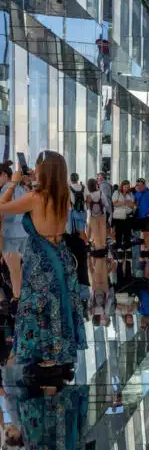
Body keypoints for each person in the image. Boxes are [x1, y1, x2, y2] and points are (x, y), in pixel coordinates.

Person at [0, 152, 85, 369]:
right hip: (61, 254)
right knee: (58, 303)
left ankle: (46, 353)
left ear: (44, 170)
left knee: (39, 306)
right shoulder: (63, 194)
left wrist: (13, 183)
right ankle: (58, 351)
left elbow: (2, 206)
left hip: (41, 259)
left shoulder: (35, 198)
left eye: (38, 166)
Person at [0, 162, 27, 305]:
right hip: (22, 233)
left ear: (5, 175)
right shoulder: (20, 188)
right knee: (19, 269)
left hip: (9, 235)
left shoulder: (6, 189)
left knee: (14, 270)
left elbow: (2, 214)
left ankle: (17, 299)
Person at [133, 177, 149, 255]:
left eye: (140, 185)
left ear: (144, 185)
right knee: (144, 233)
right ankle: (147, 248)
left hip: (148, 216)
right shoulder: (136, 193)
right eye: (137, 185)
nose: (138, 187)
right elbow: (135, 204)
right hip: (140, 216)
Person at [112, 179, 135, 254]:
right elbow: (114, 203)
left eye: (128, 187)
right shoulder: (117, 193)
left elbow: (133, 205)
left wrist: (128, 203)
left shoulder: (131, 194)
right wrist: (124, 202)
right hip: (119, 216)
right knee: (119, 232)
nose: (126, 188)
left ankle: (127, 247)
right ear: (122, 186)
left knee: (127, 232)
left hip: (128, 216)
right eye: (125, 187)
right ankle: (119, 246)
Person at [86, 178, 106, 250]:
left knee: (95, 232)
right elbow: (105, 203)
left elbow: (88, 207)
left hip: (92, 216)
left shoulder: (88, 195)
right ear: (95, 185)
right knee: (102, 230)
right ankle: (103, 246)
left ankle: (98, 248)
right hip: (102, 214)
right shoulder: (101, 193)